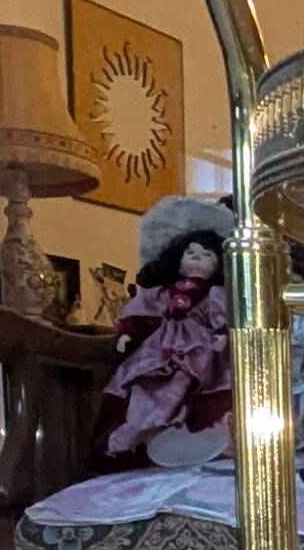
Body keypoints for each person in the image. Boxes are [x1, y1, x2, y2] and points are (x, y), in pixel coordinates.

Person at [90, 198, 235, 465]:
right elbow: (144, 312)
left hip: (202, 349)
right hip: (160, 348)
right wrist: (128, 333)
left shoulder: (216, 293)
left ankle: (193, 434)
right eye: (191, 253)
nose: (198, 259)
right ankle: (148, 438)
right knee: (146, 388)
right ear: (176, 261)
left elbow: (222, 317)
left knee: (196, 386)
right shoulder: (161, 293)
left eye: (206, 254)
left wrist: (222, 335)